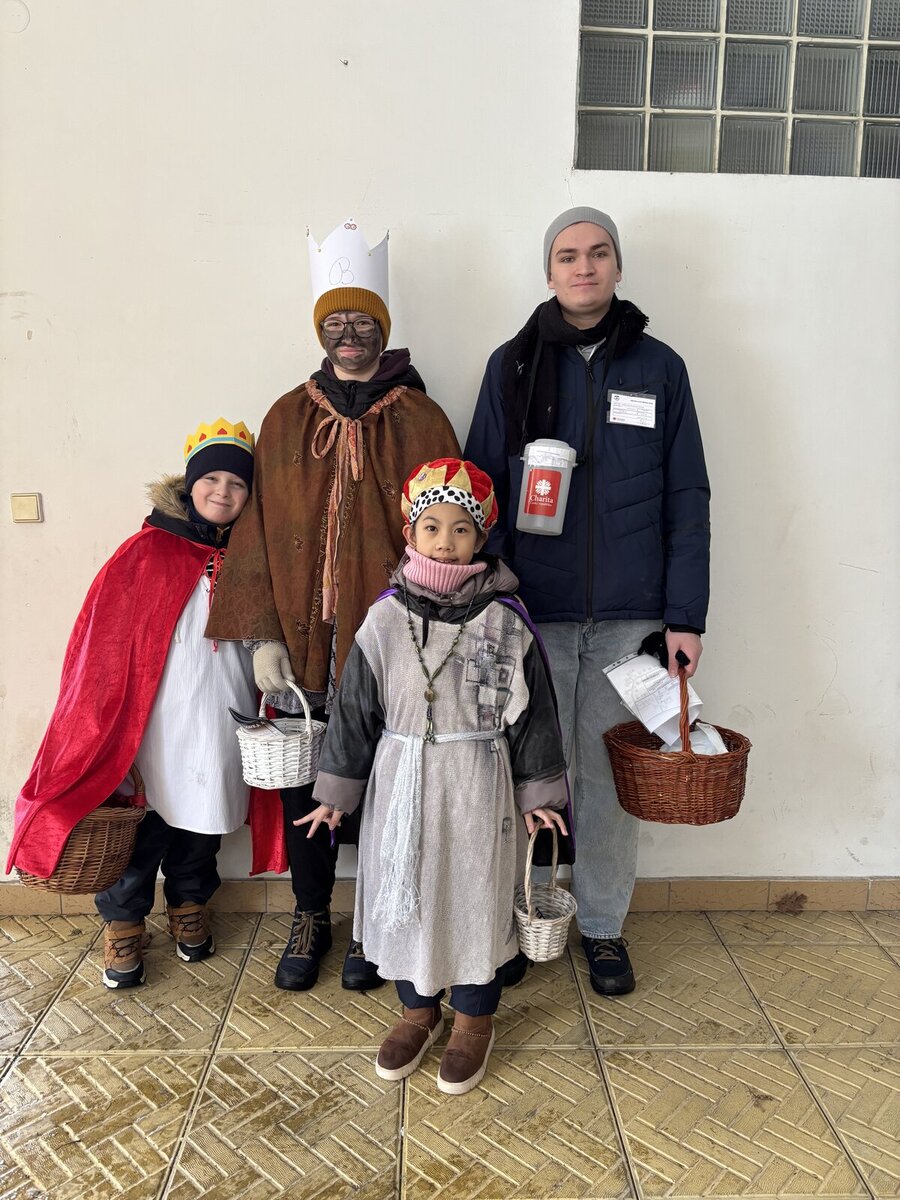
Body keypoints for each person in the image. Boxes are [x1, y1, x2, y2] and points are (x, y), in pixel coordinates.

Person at [206, 219, 460, 993]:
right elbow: (257, 529)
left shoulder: (423, 419)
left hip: (392, 643)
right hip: (302, 645)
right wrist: (261, 636)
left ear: (384, 327)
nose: (350, 337)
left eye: (363, 323)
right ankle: (310, 913)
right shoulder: (286, 417)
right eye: (335, 324)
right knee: (305, 788)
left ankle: (378, 923)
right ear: (320, 332)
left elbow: (453, 534)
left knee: (387, 787)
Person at [464, 207, 710, 997]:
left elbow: (687, 495)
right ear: (549, 272)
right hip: (532, 612)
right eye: (567, 256)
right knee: (521, 775)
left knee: (605, 782)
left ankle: (602, 926)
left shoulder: (660, 368)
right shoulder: (512, 364)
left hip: (630, 618)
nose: (583, 267)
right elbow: (481, 492)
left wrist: (685, 616)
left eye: (598, 253)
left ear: (617, 266)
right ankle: (512, 922)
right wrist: (485, 602)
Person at [299, 458, 568, 1094]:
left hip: (478, 784)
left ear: (480, 538)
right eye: (432, 527)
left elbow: (534, 715)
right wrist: (336, 793)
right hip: (401, 782)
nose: (445, 541)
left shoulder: (505, 621)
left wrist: (538, 793)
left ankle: (474, 1020)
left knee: (476, 895)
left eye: (460, 529)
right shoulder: (383, 620)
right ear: (411, 534)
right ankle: (417, 1013)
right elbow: (355, 710)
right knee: (408, 893)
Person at [7, 420, 258, 988]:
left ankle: (189, 906)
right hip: (153, 722)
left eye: (237, 483)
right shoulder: (145, 552)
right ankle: (123, 924)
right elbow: (101, 647)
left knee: (203, 819)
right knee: (139, 825)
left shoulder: (251, 556)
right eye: (211, 478)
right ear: (190, 483)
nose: (222, 491)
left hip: (221, 713)